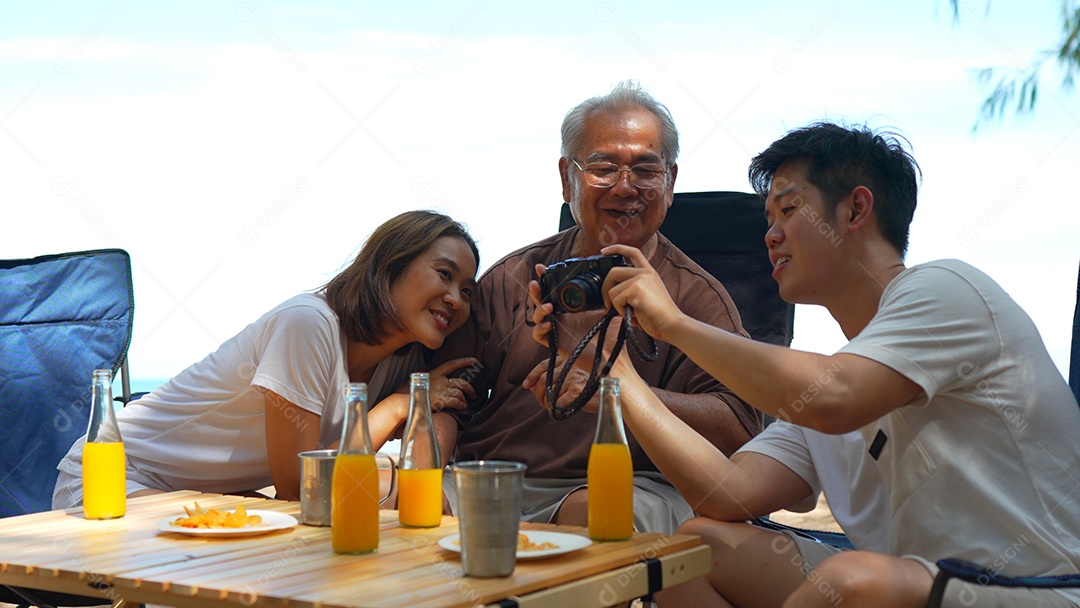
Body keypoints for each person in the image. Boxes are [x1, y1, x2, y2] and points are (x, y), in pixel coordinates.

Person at [531, 121, 1080, 607]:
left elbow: (837, 398)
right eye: (768, 217)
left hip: (1043, 588)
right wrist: (619, 380)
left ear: (856, 210)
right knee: (691, 551)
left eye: (789, 211)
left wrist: (672, 323)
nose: (769, 235)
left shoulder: (947, 289)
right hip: (917, 588)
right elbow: (726, 494)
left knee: (855, 581)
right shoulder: (833, 381)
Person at [433, 80, 762, 535]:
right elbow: (452, 397)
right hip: (495, 480)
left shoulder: (695, 297)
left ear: (670, 183)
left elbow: (741, 429)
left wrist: (619, 395)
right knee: (396, 494)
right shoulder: (514, 277)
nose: (625, 188)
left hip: (631, 485)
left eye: (646, 170)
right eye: (603, 168)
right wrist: (423, 475)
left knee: (593, 510)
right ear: (566, 178)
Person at [53, 210, 480, 507]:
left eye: (466, 290)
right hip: (114, 479)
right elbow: (298, 486)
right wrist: (399, 405)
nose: (455, 299)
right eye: (444, 274)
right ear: (390, 264)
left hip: (198, 496)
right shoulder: (308, 324)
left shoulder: (400, 362)